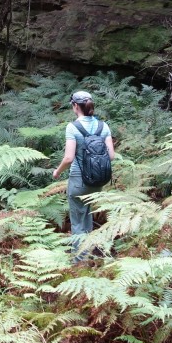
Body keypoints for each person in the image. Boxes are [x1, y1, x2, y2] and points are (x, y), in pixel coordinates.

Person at [52, 90, 115, 257]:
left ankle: (79, 261)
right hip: (97, 182)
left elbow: (68, 158)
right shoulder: (104, 126)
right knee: (86, 215)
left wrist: (57, 172)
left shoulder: (73, 127)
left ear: (75, 106)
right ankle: (89, 254)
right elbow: (111, 156)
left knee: (78, 222)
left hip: (79, 182)